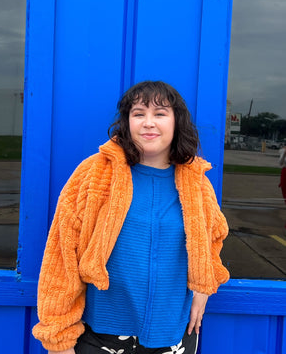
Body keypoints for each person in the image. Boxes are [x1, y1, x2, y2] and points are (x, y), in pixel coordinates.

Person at [32, 81, 230, 354]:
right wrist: (60, 340)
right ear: (127, 122)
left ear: (176, 122)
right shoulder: (95, 175)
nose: (149, 123)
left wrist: (204, 286)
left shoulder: (196, 181)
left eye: (160, 114)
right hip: (102, 336)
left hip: (173, 334)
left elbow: (213, 236)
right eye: (139, 114)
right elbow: (62, 254)